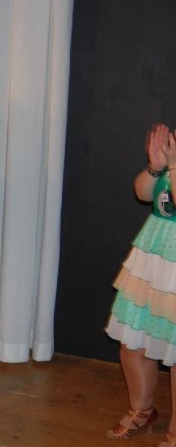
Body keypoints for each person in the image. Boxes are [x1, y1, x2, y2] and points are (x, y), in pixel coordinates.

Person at [105, 124, 176, 446]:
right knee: (132, 340)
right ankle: (142, 409)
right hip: (152, 258)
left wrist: (172, 166)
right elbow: (143, 193)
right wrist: (156, 167)